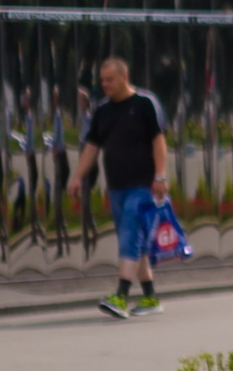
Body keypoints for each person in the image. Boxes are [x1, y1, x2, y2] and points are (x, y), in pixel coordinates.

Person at [69, 56, 170, 318]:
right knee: (136, 242)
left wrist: (160, 176)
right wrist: (78, 177)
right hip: (116, 188)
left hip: (142, 185)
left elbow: (158, 142)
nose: (105, 85)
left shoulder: (144, 104)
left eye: (110, 80)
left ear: (124, 78)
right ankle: (150, 297)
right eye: (102, 80)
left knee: (129, 237)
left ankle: (121, 296)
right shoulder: (103, 111)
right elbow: (92, 146)